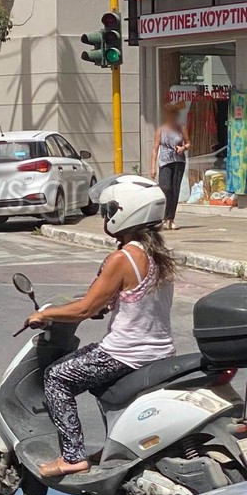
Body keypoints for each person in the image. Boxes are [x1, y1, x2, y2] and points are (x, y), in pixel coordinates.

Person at [25, 176, 176, 478]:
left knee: (56, 377)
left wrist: (46, 314)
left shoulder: (123, 258)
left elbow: (85, 308)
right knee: (100, 385)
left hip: (125, 353)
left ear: (126, 212)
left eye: (109, 210)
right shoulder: (156, 254)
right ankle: (115, 447)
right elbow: (123, 299)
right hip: (160, 352)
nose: (105, 216)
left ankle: (72, 456)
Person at [150, 102, 191, 230]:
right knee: (165, 187)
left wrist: (183, 148)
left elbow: (188, 142)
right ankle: (163, 217)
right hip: (165, 162)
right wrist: (153, 167)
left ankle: (170, 219)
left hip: (178, 161)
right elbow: (155, 149)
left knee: (175, 189)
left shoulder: (181, 128)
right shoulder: (160, 130)